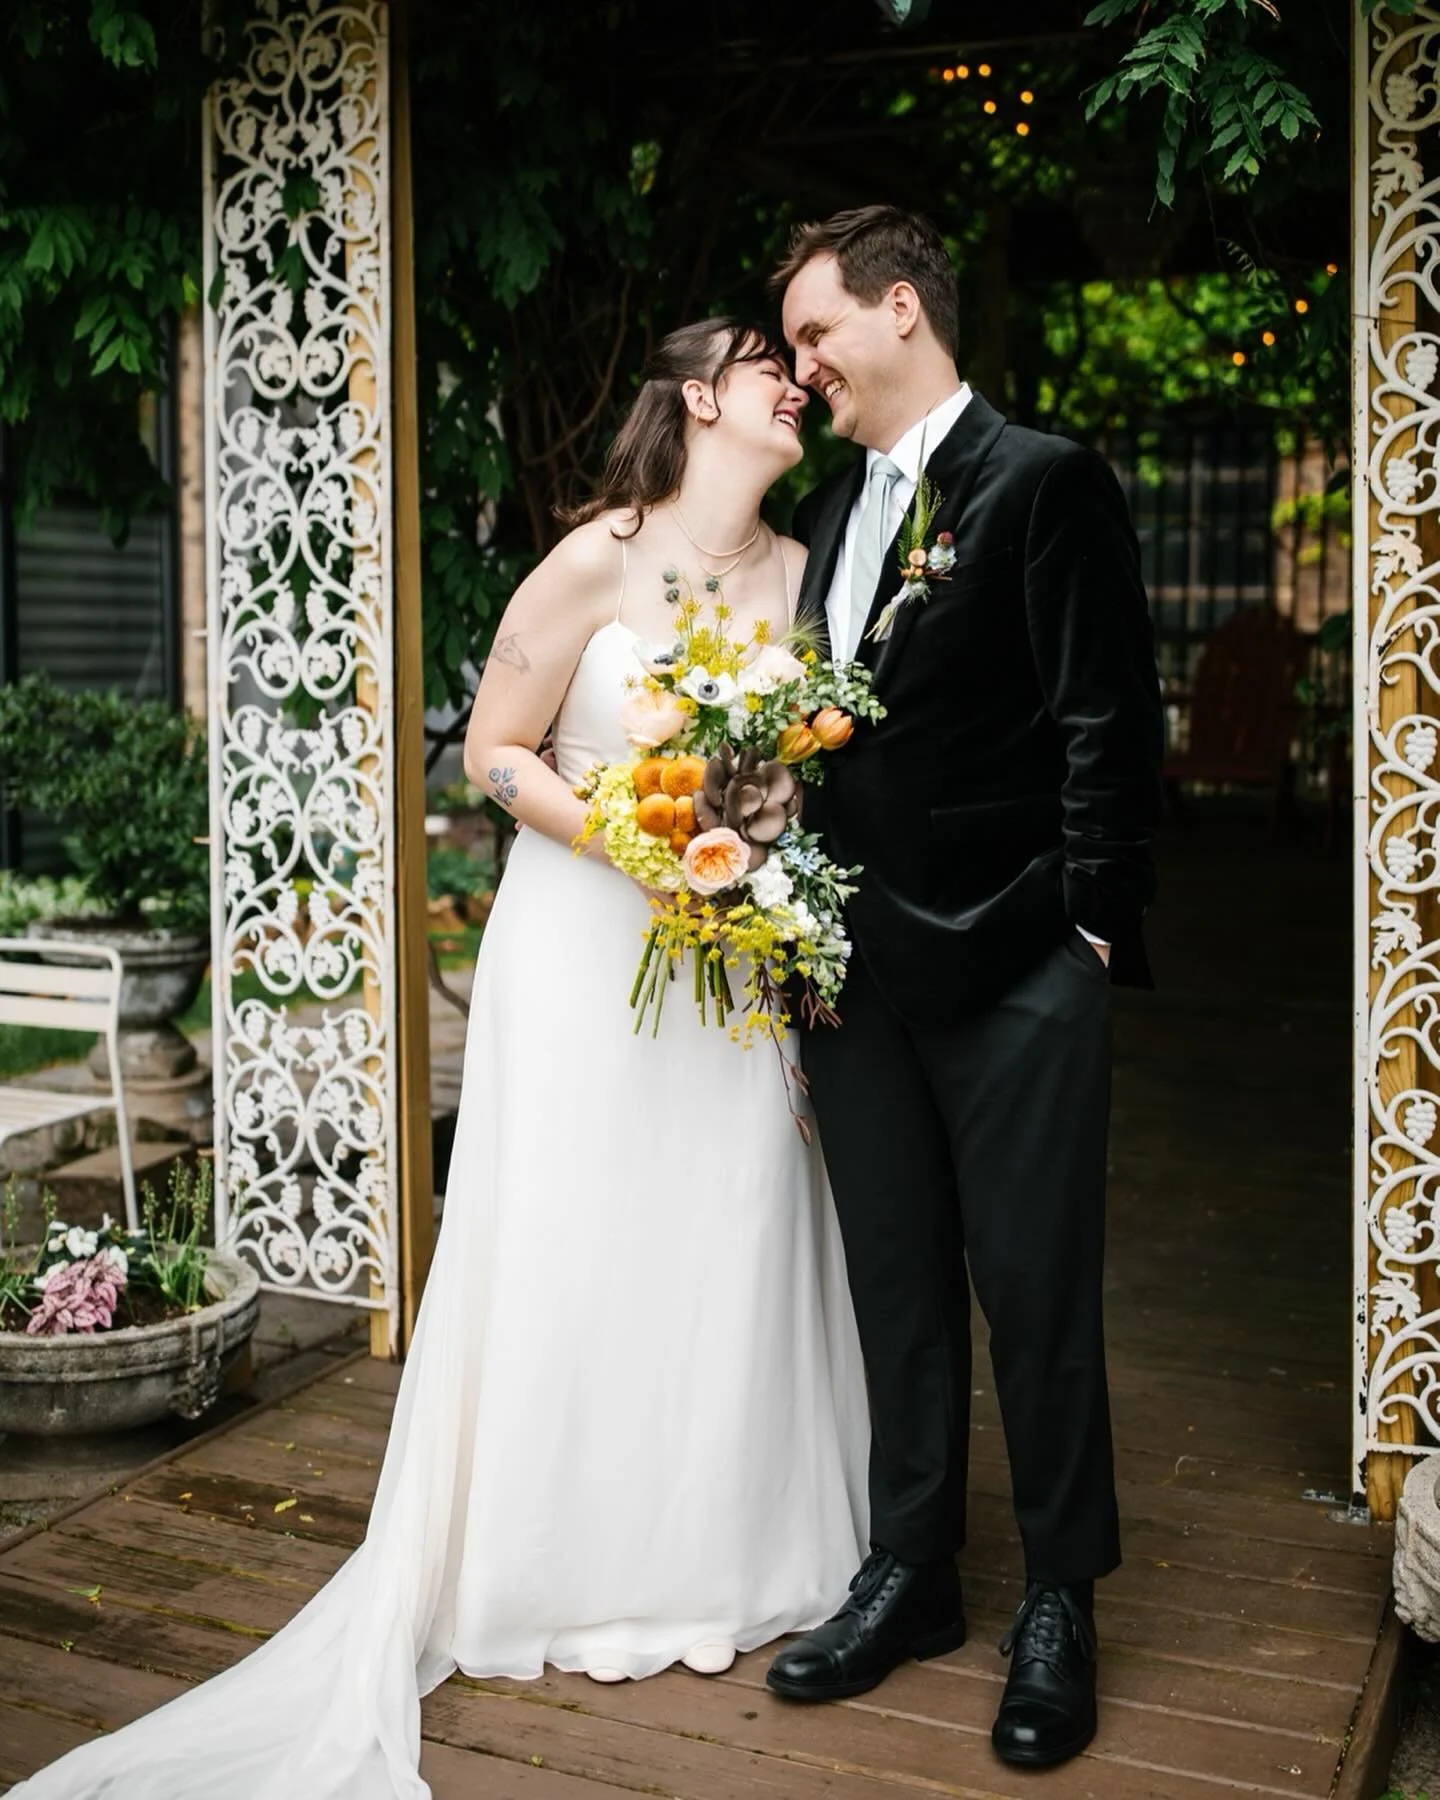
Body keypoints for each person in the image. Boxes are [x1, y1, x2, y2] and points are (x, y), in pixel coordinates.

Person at [8, 319, 870, 1800]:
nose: (790, 378)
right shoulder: (596, 554)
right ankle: (556, 1559)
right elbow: (492, 746)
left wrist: (747, 851)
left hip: (726, 943)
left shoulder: (802, 577)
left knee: (734, 1217)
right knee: (579, 1229)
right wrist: (637, 837)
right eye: (758, 359)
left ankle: (732, 1551)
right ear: (693, 399)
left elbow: (795, 768)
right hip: (586, 944)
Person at [766, 205, 1164, 1769]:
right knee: (897, 1287)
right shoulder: (837, 514)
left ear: (905, 308)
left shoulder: (1043, 480)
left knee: (1037, 1289)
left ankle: (1061, 1596)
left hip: (1017, 967)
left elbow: (1105, 723)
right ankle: (913, 1572)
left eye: (816, 333)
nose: (804, 369)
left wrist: (1092, 930)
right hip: (854, 973)